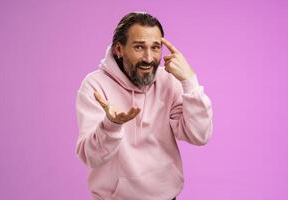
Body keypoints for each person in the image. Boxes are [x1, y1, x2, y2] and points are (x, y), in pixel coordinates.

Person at [75, 12, 213, 200]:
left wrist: (190, 82)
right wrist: (111, 125)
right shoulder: (95, 85)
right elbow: (91, 156)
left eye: (155, 47)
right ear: (119, 49)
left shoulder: (169, 81)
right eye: (139, 47)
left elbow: (199, 135)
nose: (148, 58)